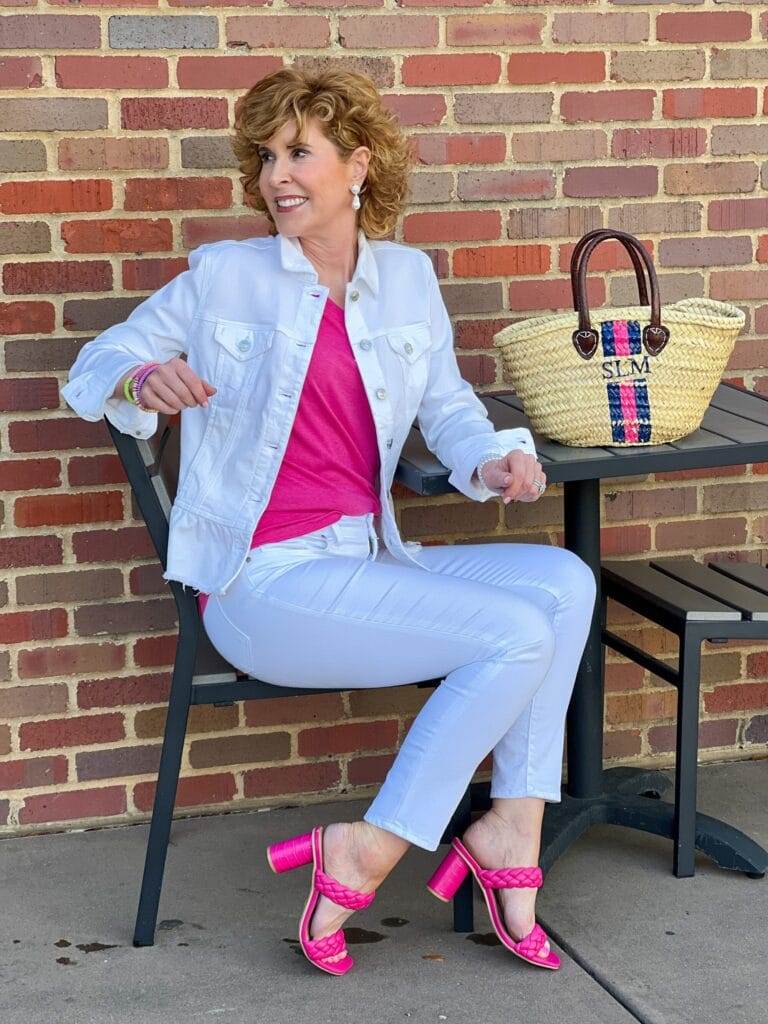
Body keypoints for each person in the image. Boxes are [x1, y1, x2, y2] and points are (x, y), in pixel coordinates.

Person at [61, 66, 596, 978]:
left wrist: (491, 458)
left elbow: (450, 408)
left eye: (298, 153)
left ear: (358, 165)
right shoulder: (227, 277)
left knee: (565, 584)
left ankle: (513, 824)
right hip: (262, 585)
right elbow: (94, 364)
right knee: (512, 634)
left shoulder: (406, 281)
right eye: (267, 158)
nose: (277, 177)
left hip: (365, 561)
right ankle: (372, 848)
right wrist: (140, 378)